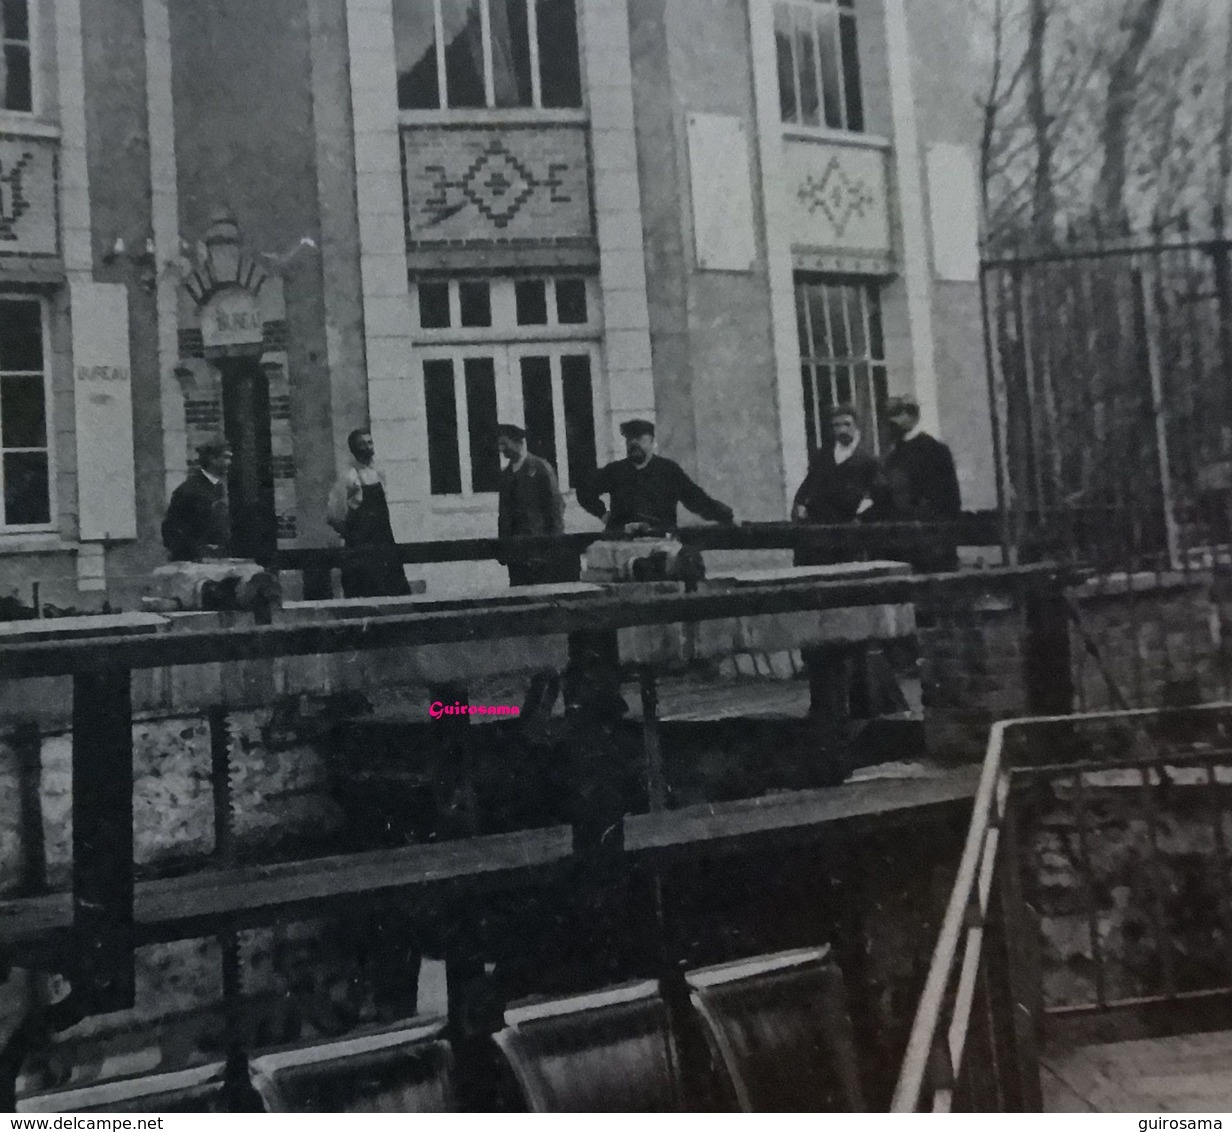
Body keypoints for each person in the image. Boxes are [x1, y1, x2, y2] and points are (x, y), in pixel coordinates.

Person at [576, 419, 736, 533]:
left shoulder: (668, 470)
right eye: (629, 440)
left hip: (660, 539)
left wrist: (727, 517)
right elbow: (584, 490)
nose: (633, 444)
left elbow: (696, 499)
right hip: (622, 540)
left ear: (652, 442)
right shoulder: (616, 470)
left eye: (639, 439)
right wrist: (603, 514)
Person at [871, 395, 962, 571]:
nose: (891, 421)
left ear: (912, 416)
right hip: (902, 540)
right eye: (888, 416)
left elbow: (950, 499)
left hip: (931, 539)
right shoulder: (893, 456)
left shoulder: (934, 450)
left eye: (897, 415)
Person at [327, 428, 412, 598]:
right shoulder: (349, 477)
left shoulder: (379, 473)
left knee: (394, 591)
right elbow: (333, 516)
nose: (367, 447)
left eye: (370, 442)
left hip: (384, 544)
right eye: (362, 444)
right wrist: (352, 536)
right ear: (353, 449)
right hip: (360, 550)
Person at [791, 404, 879, 566]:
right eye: (836, 425)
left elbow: (875, 496)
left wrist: (860, 517)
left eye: (847, 424)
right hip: (819, 529)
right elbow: (807, 487)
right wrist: (801, 506)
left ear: (856, 426)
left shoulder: (868, 460)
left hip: (847, 532)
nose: (842, 430)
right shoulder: (822, 456)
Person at [496, 423, 576, 586]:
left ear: (518, 442)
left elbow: (556, 507)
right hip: (516, 551)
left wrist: (554, 543)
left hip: (539, 549)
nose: (502, 449)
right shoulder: (505, 476)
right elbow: (503, 514)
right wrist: (503, 548)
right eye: (499, 444)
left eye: (505, 443)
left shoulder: (540, 468)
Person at [162, 437, 233, 561]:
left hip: (218, 558)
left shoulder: (218, 488)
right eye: (226, 457)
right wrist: (197, 552)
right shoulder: (189, 490)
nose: (230, 462)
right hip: (195, 561)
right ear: (212, 459)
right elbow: (171, 529)